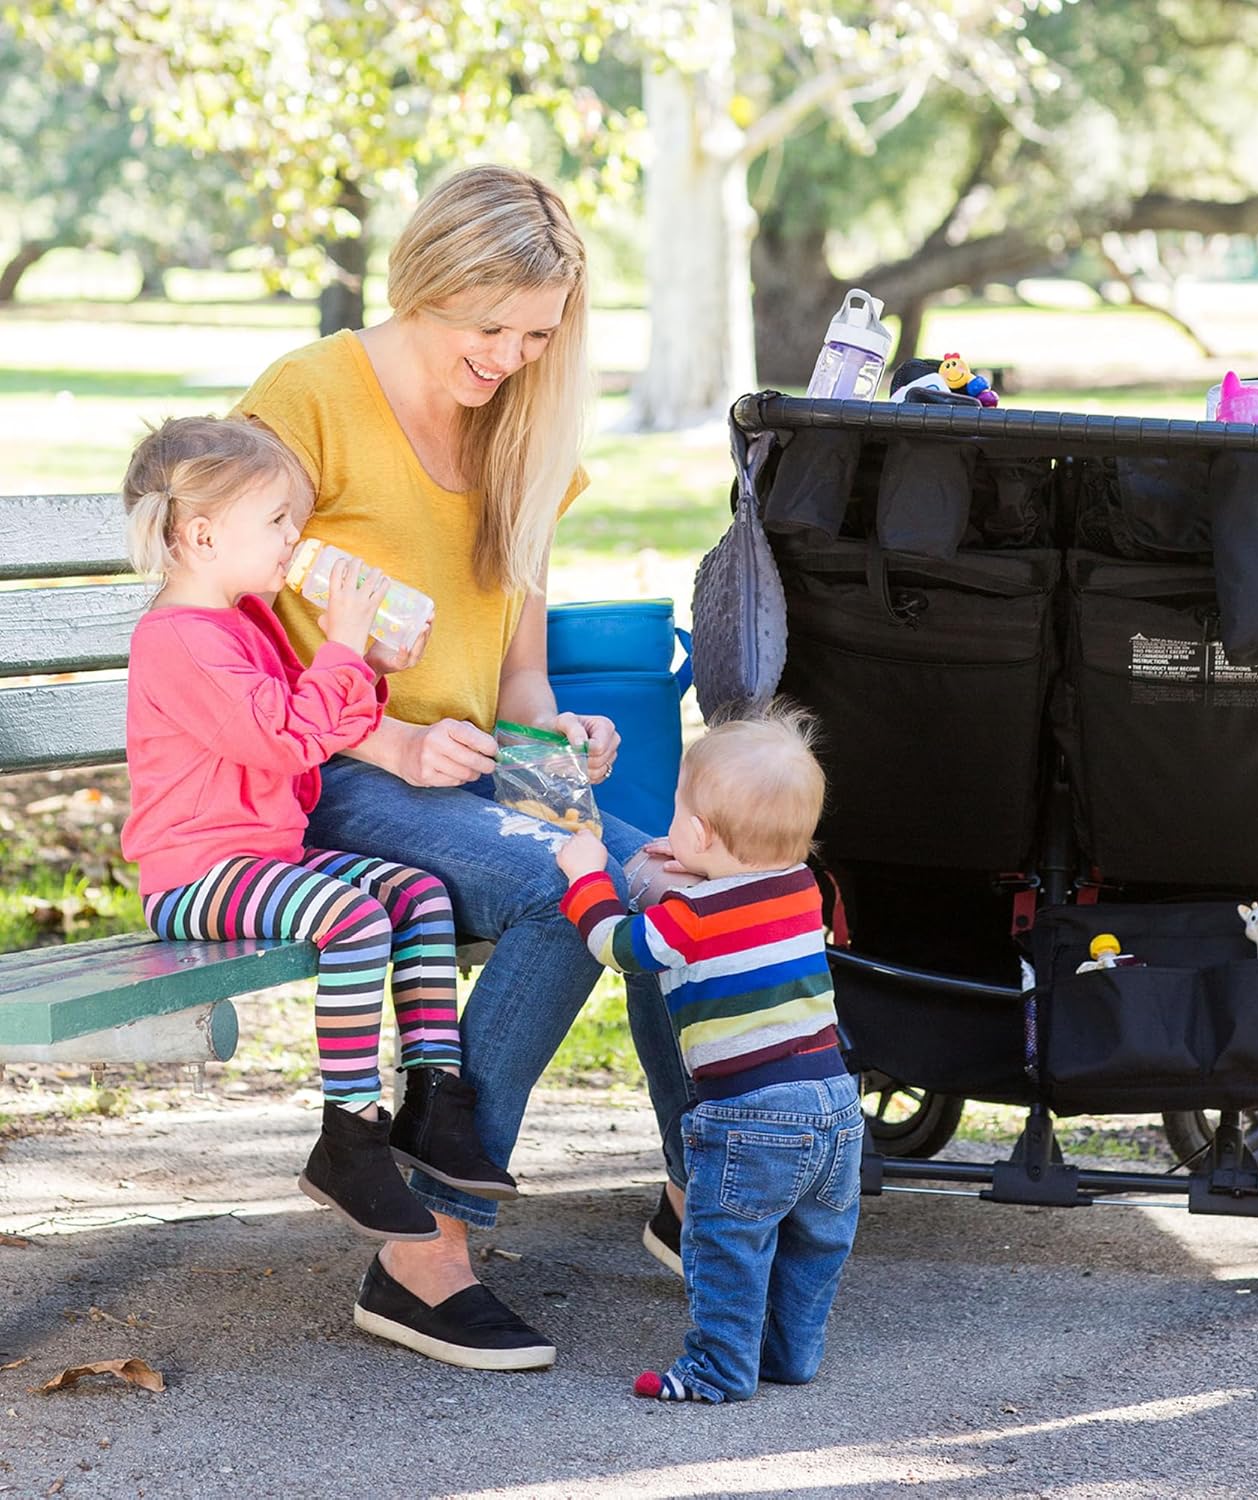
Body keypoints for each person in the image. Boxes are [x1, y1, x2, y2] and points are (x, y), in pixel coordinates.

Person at [234, 163, 692, 1370]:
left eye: (535, 335)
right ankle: (426, 1252)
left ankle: (707, 1207)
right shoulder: (310, 396)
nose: (507, 357)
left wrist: (561, 755)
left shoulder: (521, 430)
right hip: (326, 771)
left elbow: (519, 687)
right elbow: (219, 630)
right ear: (423, 284)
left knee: (669, 887)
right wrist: (383, 736)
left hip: (468, 776)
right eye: (486, 326)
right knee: (563, 889)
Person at [118, 416, 518, 1273]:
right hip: (196, 876)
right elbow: (286, 738)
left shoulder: (242, 618)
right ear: (200, 534)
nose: (293, 540)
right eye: (277, 523)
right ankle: (349, 1135)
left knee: (417, 895)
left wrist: (372, 658)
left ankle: (434, 1100)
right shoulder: (176, 640)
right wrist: (338, 644)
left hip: (265, 861)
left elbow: (323, 715)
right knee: (353, 919)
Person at [556, 706, 863, 1404]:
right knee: (813, 1248)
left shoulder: (691, 919)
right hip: (835, 1107)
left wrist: (586, 878)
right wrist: (694, 866)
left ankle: (716, 1370)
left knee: (726, 1245)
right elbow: (735, 887)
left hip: (752, 1117)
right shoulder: (800, 888)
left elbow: (622, 948)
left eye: (679, 814)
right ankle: (792, 1355)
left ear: (698, 831)